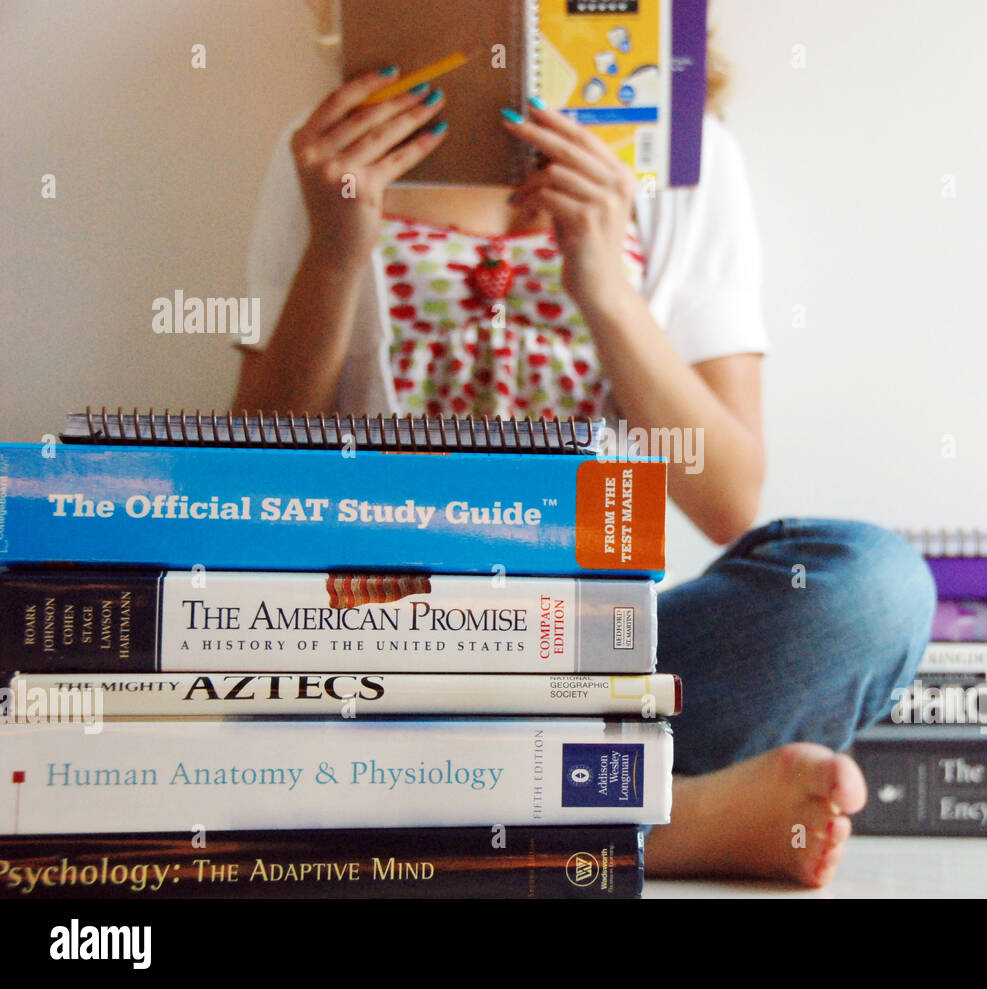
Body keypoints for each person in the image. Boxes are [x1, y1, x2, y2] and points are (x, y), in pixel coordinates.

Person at [233, 45, 935, 888]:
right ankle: (668, 823)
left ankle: (492, 808)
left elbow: (727, 495)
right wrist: (336, 253)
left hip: (604, 655)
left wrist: (605, 284)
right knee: (228, 689)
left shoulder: (689, 159)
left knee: (873, 588)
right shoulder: (328, 151)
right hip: (388, 649)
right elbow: (245, 494)